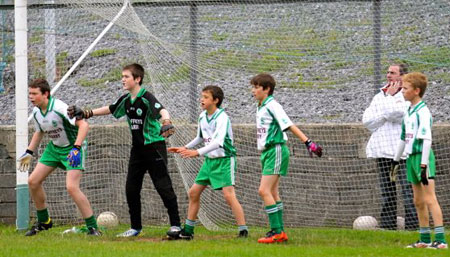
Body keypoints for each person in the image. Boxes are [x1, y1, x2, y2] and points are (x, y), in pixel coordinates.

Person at [67, 63, 181, 237]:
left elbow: (162, 110)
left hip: (154, 147)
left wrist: (166, 122)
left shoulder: (146, 97)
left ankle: (176, 225)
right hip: (137, 150)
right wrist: (86, 113)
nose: (123, 79)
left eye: (126, 76)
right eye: (122, 76)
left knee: (163, 186)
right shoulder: (126, 100)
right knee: (131, 188)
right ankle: (135, 228)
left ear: (137, 79)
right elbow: (110, 109)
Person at [18, 78, 100, 236]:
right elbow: (39, 132)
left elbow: (84, 125)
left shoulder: (59, 107)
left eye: (34, 94)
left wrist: (76, 148)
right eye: (30, 94)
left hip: (73, 147)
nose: (31, 97)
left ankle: (92, 227)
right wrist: (29, 152)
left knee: (71, 187)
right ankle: (44, 222)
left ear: (46, 94)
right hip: (54, 149)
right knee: (33, 181)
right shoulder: (36, 112)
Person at [166, 85, 248, 240]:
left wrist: (196, 152)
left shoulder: (222, 117)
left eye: (205, 97)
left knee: (229, 195)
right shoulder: (203, 116)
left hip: (224, 160)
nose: (201, 100)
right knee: (193, 192)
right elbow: (200, 138)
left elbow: (218, 142)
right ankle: (188, 231)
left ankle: (243, 231)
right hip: (209, 161)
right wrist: (184, 147)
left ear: (215, 100)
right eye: (201, 96)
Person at [250, 73, 322, 244]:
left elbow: (289, 125)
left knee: (263, 191)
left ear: (266, 89)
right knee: (273, 192)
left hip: (276, 150)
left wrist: (308, 142)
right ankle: (280, 232)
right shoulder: (261, 106)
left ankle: (276, 232)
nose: (252, 91)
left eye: (256, 87)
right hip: (267, 152)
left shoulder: (273, 105)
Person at [391, 72, 447, 249]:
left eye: (405, 88)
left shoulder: (423, 112)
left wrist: (423, 165)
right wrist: (395, 160)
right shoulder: (408, 111)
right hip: (410, 158)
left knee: (430, 198)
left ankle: (440, 240)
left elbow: (426, 139)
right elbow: (403, 137)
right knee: (418, 200)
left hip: (422, 157)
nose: (402, 91)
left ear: (416, 91)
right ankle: (424, 238)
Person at [362, 63, 418, 230]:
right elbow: (368, 120)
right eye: (387, 72)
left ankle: (412, 226)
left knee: (408, 191)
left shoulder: (408, 95)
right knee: (387, 191)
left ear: (402, 76)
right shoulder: (381, 95)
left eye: (392, 73)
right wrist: (387, 110)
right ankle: (387, 226)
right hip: (383, 151)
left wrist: (390, 102)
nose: (388, 76)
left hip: (402, 153)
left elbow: (399, 113)